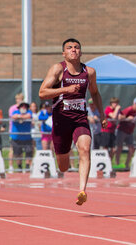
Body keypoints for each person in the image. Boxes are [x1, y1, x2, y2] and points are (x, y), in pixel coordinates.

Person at [38, 38, 107, 205]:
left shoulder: (89, 72)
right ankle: (63, 158)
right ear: (64, 53)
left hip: (80, 118)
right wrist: (65, 89)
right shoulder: (58, 69)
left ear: (81, 52)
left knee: (85, 148)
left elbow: (95, 93)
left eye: (76, 48)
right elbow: (42, 92)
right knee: (63, 165)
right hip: (61, 120)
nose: (73, 50)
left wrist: (102, 115)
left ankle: (82, 190)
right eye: (69, 48)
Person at [116, 97, 136, 168]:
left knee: (131, 148)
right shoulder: (129, 109)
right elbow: (120, 117)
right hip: (122, 130)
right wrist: (127, 118)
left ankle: (127, 164)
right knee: (119, 147)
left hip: (130, 131)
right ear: (133, 104)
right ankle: (117, 163)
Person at [10, 102, 34, 172]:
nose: (24, 108)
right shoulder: (15, 111)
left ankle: (27, 166)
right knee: (17, 153)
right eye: (22, 106)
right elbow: (13, 116)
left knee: (29, 152)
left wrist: (19, 117)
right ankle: (19, 166)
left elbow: (29, 116)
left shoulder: (29, 112)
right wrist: (20, 116)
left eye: (25, 106)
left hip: (27, 137)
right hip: (16, 137)